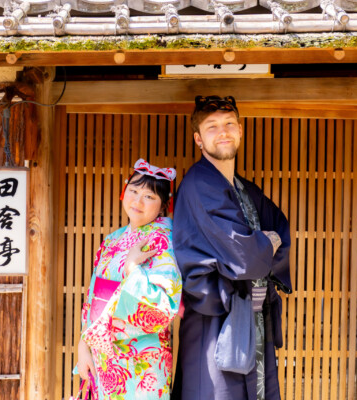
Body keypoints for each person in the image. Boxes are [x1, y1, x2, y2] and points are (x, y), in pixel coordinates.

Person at [171, 95, 292, 400]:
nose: (222, 132)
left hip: (253, 318)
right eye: (211, 126)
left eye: (228, 124)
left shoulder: (246, 190)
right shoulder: (199, 184)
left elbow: (280, 231)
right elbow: (246, 257)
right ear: (198, 139)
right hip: (214, 319)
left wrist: (261, 248)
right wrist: (262, 247)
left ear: (240, 130)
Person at [76, 159, 182, 400]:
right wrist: (84, 344)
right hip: (103, 353)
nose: (137, 200)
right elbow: (93, 296)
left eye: (149, 196)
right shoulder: (113, 239)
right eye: (133, 191)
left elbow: (164, 306)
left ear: (163, 206)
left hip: (142, 356)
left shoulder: (163, 239)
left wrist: (133, 269)